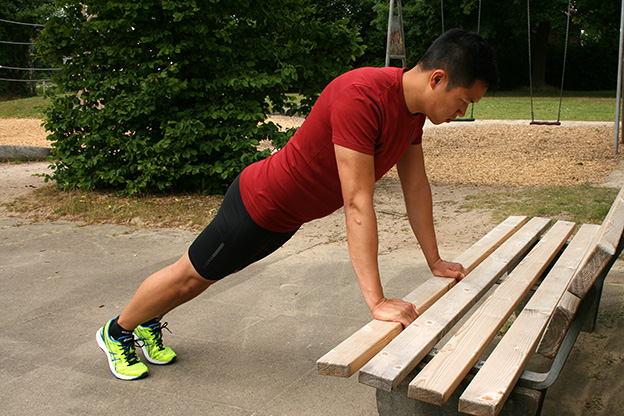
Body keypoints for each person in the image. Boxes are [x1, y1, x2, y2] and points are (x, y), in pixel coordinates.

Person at [96, 28, 499, 380]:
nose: (462, 112)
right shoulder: (362, 95)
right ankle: (117, 330)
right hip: (256, 206)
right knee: (190, 275)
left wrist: (435, 260)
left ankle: (147, 321)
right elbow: (357, 202)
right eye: (463, 101)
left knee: (205, 277)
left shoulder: (412, 114)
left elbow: (417, 188)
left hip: (283, 218)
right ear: (438, 79)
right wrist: (376, 301)